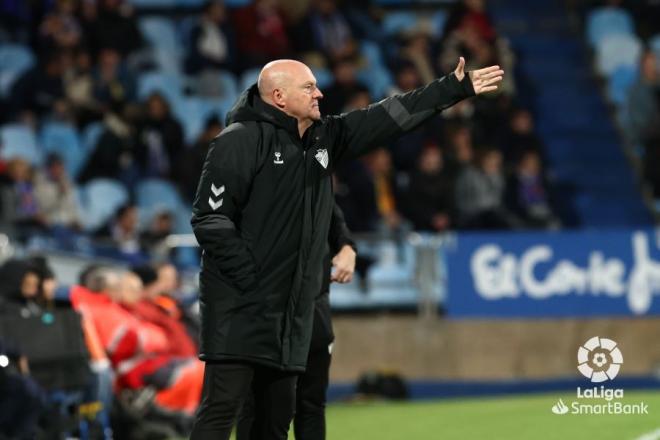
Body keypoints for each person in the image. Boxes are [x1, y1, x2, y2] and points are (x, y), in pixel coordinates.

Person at [189, 57, 503, 439]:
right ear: (279, 96)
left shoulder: (324, 137)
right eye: (308, 87)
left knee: (273, 422)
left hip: (293, 310)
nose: (319, 93)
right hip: (241, 307)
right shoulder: (238, 141)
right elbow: (210, 219)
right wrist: (252, 279)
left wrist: (453, 88)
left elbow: (385, 119)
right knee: (222, 412)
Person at [236, 203, 356, 440]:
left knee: (311, 403)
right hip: (268, 310)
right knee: (263, 405)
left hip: (314, 308)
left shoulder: (315, 179)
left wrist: (346, 247)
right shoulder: (257, 180)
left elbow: (333, 218)